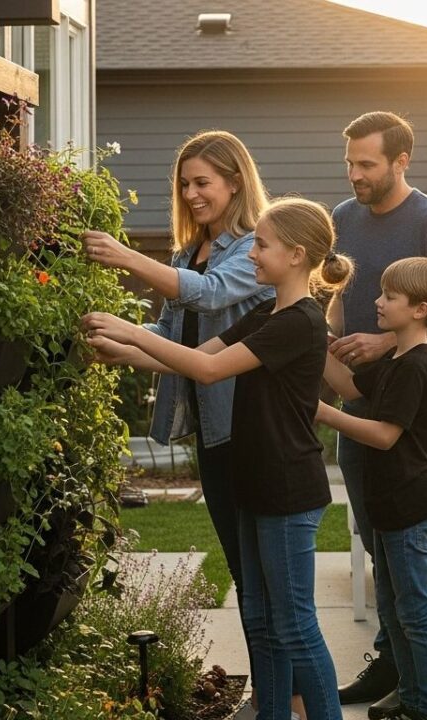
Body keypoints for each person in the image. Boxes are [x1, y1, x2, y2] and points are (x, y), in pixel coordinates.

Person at [82, 197, 352, 720]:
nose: (251, 253)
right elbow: (197, 358)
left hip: (288, 491)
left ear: (296, 255)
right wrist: (124, 349)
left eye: (262, 245)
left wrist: (131, 329)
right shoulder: (265, 311)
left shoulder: (298, 322)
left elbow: (210, 372)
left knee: (293, 623)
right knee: (258, 616)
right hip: (252, 482)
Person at [326, 111, 427, 717]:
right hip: (354, 391)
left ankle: (423, 692)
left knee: (415, 550)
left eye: (367, 164)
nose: (355, 174)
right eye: (350, 163)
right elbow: (335, 300)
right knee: (379, 537)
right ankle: (396, 670)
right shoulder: (342, 218)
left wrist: (385, 342)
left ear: (400, 161)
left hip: (410, 396)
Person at [316, 257, 427, 720]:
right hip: (388, 509)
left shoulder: (417, 366)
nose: (377, 302)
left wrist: (322, 413)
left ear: (419, 309)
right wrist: (311, 333)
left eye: (388, 297)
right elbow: (351, 386)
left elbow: (384, 434)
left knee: (417, 617)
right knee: (397, 615)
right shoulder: (396, 359)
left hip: (408, 510)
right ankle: (414, 701)